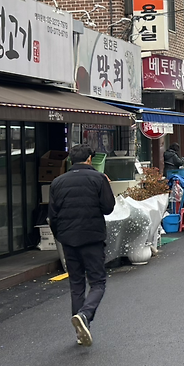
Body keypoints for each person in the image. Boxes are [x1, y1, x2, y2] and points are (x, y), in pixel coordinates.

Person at [47, 145, 115, 346]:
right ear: (89, 159)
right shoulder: (98, 179)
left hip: (68, 240)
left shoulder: (57, 182)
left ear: (71, 160)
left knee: (76, 284)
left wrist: (60, 236)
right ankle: (85, 315)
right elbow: (108, 208)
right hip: (92, 238)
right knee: (98, 282)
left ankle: (81, 331)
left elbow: (53, 215)